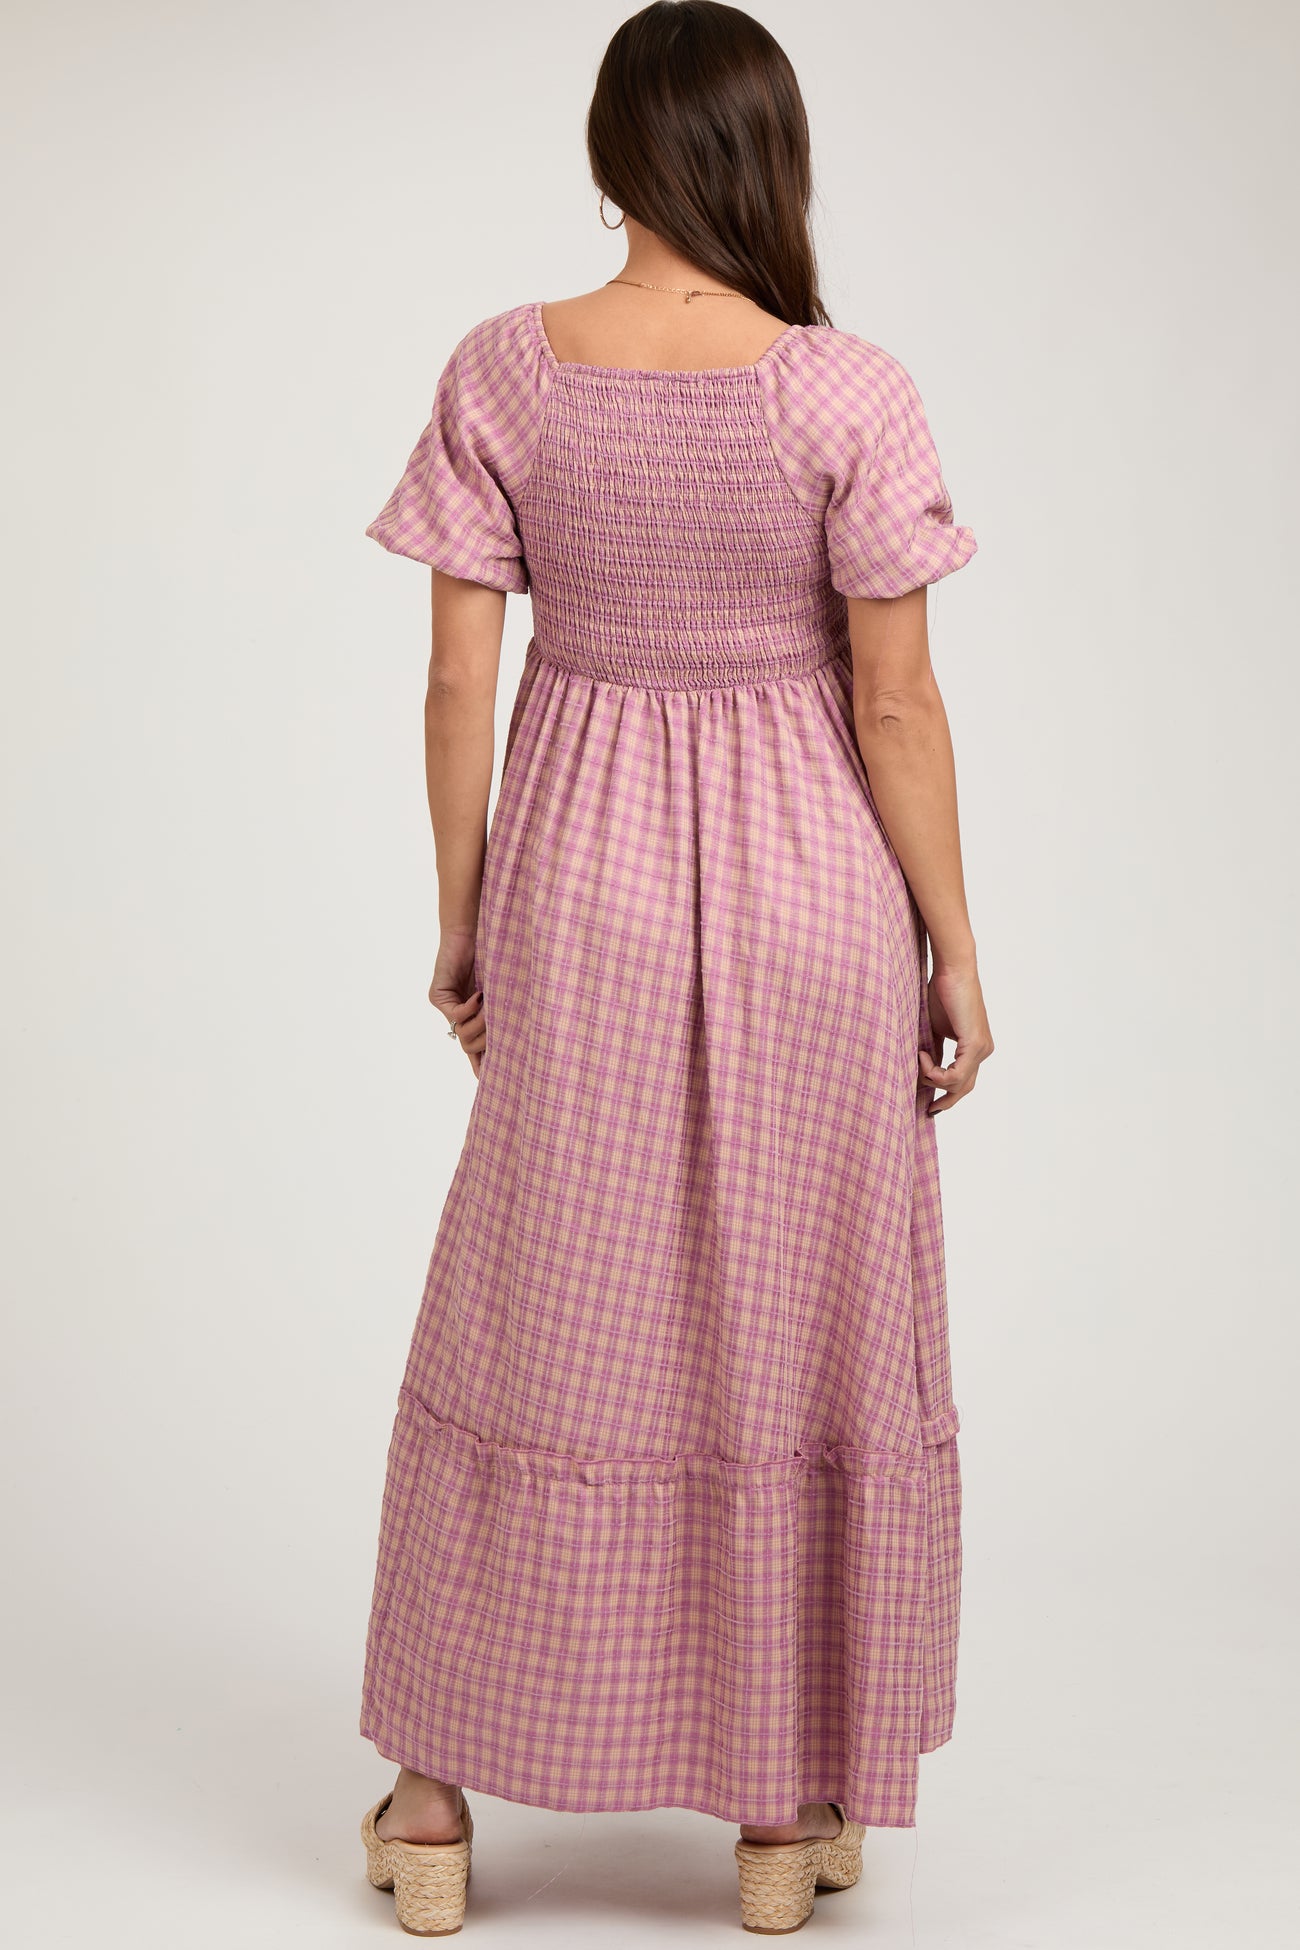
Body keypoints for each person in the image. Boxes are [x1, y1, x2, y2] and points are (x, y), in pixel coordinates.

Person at [356, 1, 993, 1934]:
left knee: (533, 1303)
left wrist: (464, 911)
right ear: (770, 158)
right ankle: (779, 1813)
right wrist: (957, 946)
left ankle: (430, 1798)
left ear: (609, 156)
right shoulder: (847, 390)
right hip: (818, 901)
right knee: (801, 1308)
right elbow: (897, 703)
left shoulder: (505, 367)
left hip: (583, 880)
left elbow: (457, 678)